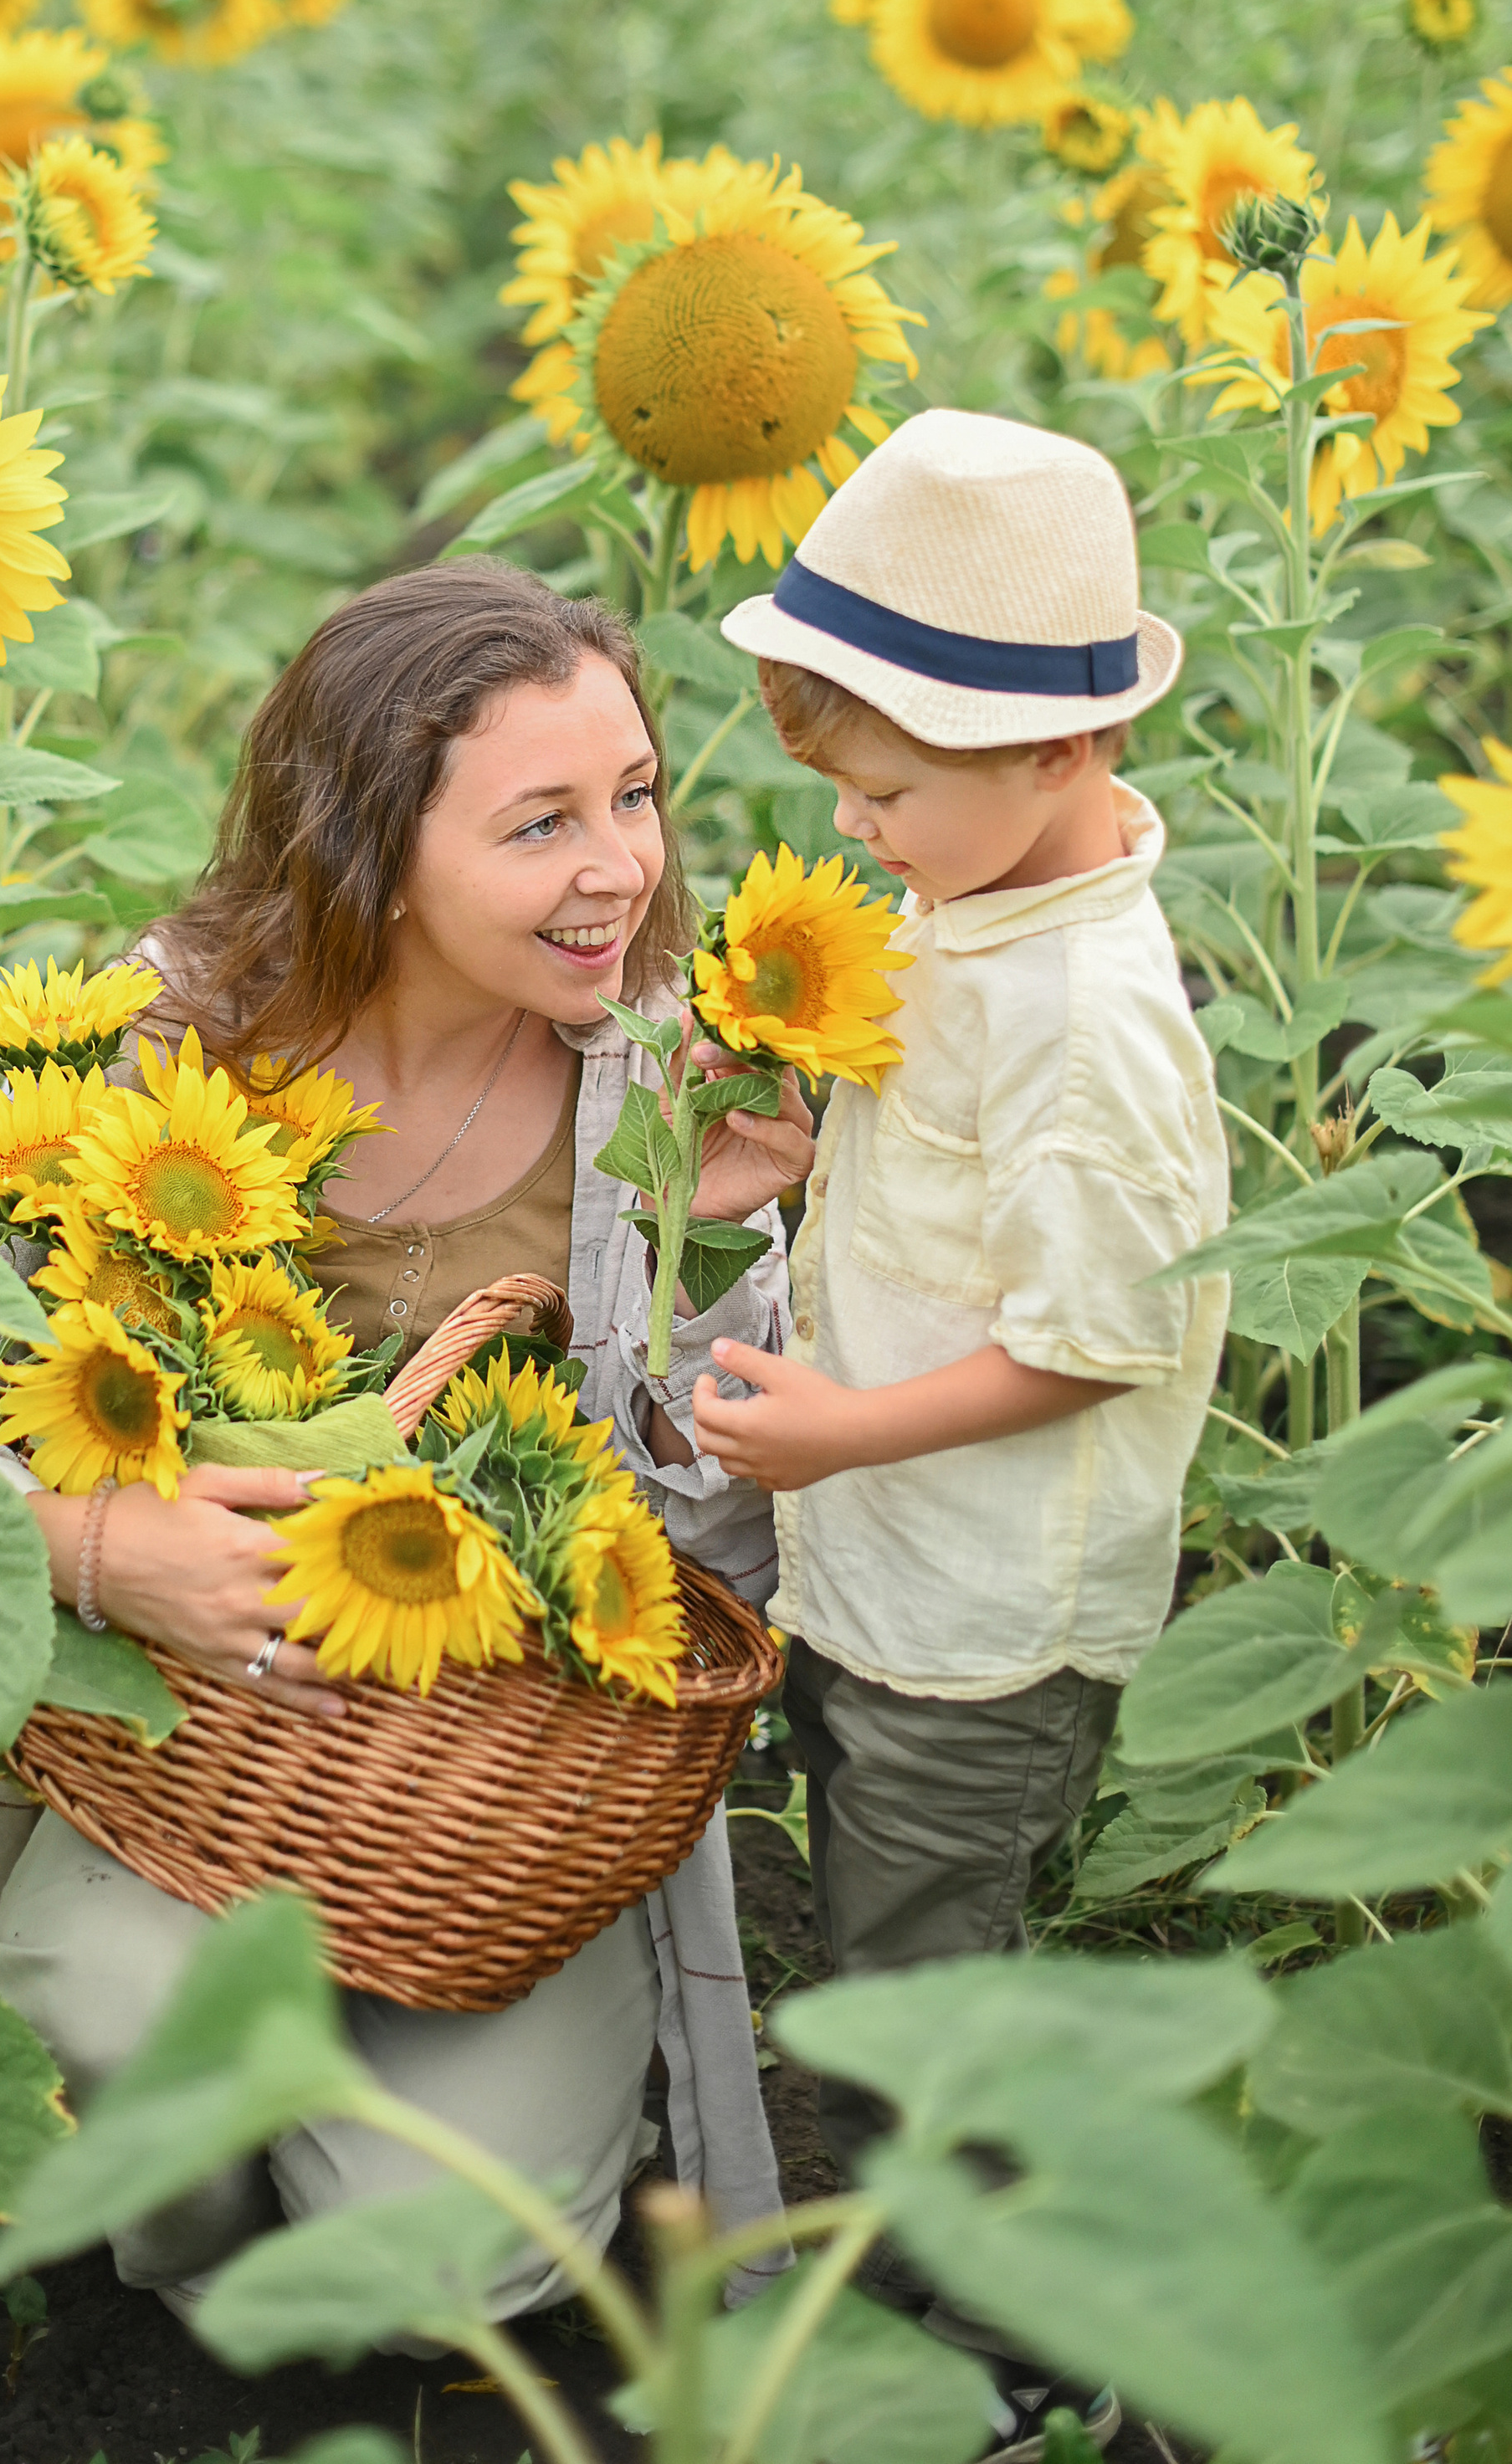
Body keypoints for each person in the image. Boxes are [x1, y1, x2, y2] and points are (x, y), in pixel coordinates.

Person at [0, 561, 812, 2326]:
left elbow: (712, 1575)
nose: (620, 868)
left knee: (447, 2275)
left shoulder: (667, 1088)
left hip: (490, 1791)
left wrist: (706, 1283)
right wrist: (84, 1545)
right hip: (194, 1728)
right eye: (540, 823)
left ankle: (342, 2160)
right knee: (102, 2043)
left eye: (636, 796)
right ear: (369, 847)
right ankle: (193, 2227)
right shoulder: (174, 1027)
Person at [682, 407, 1229, 2453]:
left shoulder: (1092, 1023)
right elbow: (954, 1178)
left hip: (980, 1610)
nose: (859, 834)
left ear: (1060, 752)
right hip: (888, 1568)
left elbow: (1090, 1335)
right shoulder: (976, 906)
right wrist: (801, 1137)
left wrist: (839, 1429)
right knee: (889, 1949)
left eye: (885, 791)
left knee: (922, 2000)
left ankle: (1004, 2364)